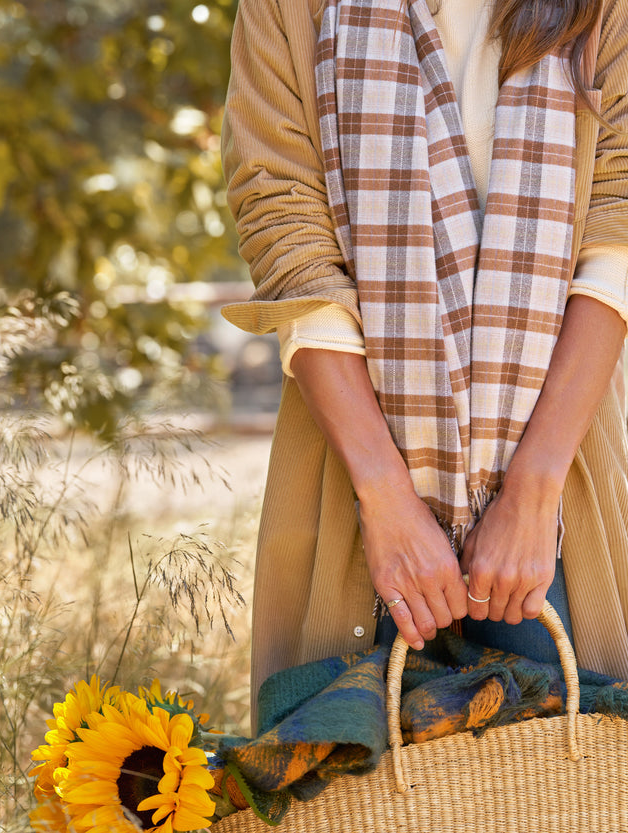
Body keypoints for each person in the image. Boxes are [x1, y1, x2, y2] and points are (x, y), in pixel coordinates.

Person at [221, 0, 628, 727]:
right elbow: (284, 226)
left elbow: (617, 230)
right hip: (354, 477)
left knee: (575, 769)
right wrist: (385, 498)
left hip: (563, 476)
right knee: (351, 768)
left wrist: (532, 494)